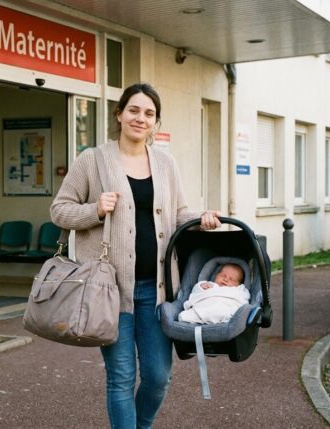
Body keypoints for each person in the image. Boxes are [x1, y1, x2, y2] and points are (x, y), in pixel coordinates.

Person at [50, 82, 221, 428]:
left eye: (148, 113)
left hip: (156, 291)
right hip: (108, 291)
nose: (140, 118)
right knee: (121, 377)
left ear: (155, 122)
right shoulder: (92, 160)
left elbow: (178, 214)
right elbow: (59, 210)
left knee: (158, 377)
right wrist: (94, 210)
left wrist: (201, 220)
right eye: (134, 110)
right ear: (119, 114)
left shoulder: (166, 164)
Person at [178, 263, 250, 324]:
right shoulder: (210, 285)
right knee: (199, 310)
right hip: (206, 305)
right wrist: (201, 286)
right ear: (216, 275)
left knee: (223, 312)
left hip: (224, 308)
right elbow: (196, 292)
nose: (226, 279)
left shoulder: (238, 290)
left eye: (232, 279)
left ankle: (203, 317)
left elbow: (243, 299)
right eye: (222, 276)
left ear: (239, 284)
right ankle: (200, 316)